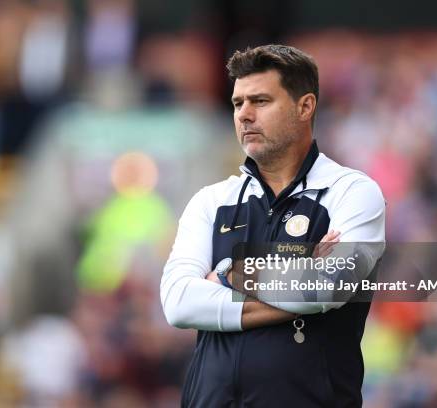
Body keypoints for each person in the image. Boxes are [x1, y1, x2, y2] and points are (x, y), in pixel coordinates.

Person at [160, 44, 385, 407]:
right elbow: (178, 303)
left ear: (305, 106)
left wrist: (224, 275)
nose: (245, 115)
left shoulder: (353, 192)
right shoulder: (211, 200)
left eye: (260, 101)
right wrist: (298, 280)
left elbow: (326, 286)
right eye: (238, 103)